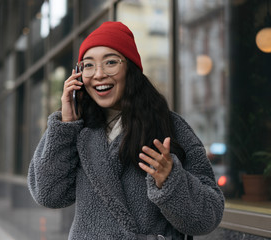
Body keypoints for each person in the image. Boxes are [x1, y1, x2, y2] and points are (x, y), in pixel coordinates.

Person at [28, 21, 224, 240]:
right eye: (88, 65)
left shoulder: (171, 126)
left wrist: (170, 181)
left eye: (110, 62)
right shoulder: (77, 130)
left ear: (130, 69)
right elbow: (48, 194)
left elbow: (208, 216)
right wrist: (65, 124)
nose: (99, 74)